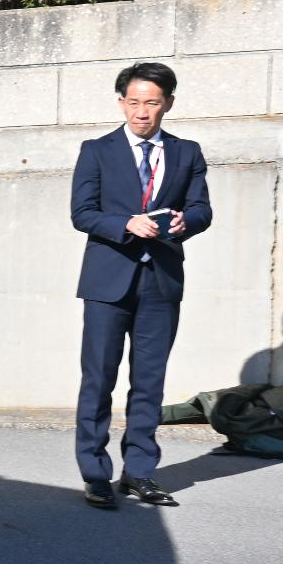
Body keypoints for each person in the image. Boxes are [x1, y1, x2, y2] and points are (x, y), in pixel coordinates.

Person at [71, 61, 213, 509]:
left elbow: (202, 210)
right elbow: (82, 213)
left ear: (168, 103)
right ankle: (95, 474)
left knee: (150, 382)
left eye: (151, 102)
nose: (142, 112)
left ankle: (140, 473)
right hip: (108, 281)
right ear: (121, 103)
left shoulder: (187, 152)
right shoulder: (96, 150)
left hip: (161, 281)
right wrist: (125, 223)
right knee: (99, 379)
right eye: (133, 102)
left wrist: (183, 220)